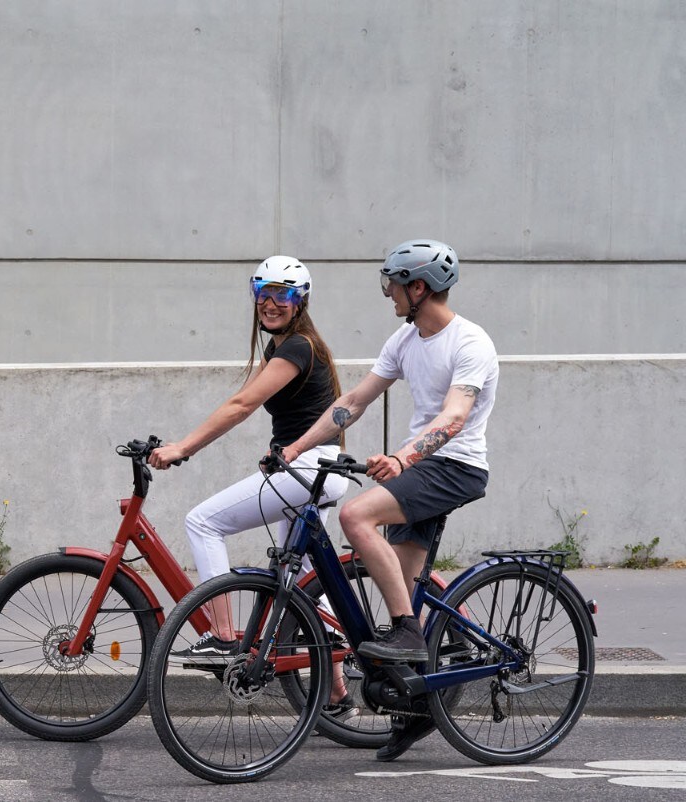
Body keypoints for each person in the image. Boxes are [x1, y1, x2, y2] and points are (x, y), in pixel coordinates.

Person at [281, 238, 498, 761]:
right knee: (400, 582)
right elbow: (353, 401)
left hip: (455, 465)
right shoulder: (405, 339)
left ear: (419, 287)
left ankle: (406, 632)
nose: (388, 294)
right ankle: (417, 706)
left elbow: (453, 418)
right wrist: (294, 447)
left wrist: (402, 459)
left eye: (393, 285)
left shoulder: (470, 343)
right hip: (424, 465)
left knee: (356, 514)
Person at [148, 255, 353, 714]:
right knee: (298, 581)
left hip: (305, 473)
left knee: (202, 522)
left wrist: (185, 446)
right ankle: (338, 691)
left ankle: (222, 639)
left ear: (301, 301)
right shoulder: (284, 347)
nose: (271, 302)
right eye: (263, 292)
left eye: (283, 293)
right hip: (314, 471)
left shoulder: (298, 347)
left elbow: (242, 404)